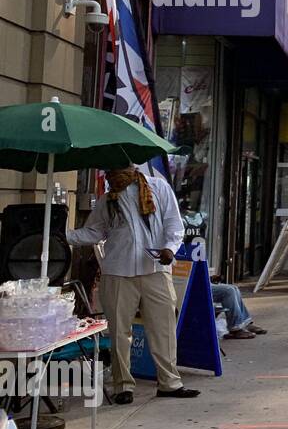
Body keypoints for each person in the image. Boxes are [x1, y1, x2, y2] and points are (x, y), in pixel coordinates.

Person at [66, 165, 199, 405]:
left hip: (156, 268)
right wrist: (62, 235)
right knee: (119, 332)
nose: (113, 175)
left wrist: (170, 248)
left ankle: (170, 382)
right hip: (118, 270)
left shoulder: (157, 188)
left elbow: (173, 224)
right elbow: (94, 233)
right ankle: (123, 386)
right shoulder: (108, 199)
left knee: (163, 328)